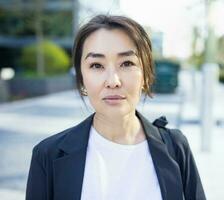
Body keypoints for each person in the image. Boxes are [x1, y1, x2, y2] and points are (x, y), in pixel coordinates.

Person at [25, 15, 206, 200]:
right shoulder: (47, 155)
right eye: (96, 65)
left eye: (127, 63)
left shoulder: (175, 147)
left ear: (145, 75)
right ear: (82, 78)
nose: (113, 81)